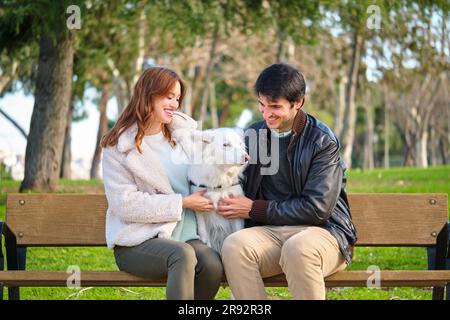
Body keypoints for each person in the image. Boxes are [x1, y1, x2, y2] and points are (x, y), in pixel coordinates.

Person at [217, 63, 358, 300]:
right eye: (262, 105)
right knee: (234, 246)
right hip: (270, 233)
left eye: (275, 107)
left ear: (298, 103)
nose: (266, 113)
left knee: (298, 249)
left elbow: (317, 209)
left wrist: (254, 208)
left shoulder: (322, 141)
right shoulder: (254, 136)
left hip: (323, 232)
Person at [100, 67, 223, 300]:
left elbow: (211, 171)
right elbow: (124, 204)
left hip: (187, 236)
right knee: (183, 256)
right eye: (168, 97)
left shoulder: (184, 138)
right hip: (138, 241)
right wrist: (183, 202)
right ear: (149, 95)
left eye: (177, 98)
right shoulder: (118, 146)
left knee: (212, 265)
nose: (175, 104)